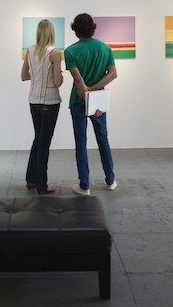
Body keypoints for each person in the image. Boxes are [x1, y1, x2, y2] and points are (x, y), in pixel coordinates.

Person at [64, 13, 118, 196]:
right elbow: (113, 73)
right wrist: (95, 90)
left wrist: (87, 90)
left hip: (78, 101)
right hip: (99, 103)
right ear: (92, 27)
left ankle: (84, 185)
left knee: (81, 142)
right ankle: (110, 180)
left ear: (75, 29)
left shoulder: (71, 51)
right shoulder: (105, 48)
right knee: (103, 139)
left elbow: (77, 78)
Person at [21, 19, 63, 194]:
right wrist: (58, 74)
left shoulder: (30, 51)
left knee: (38, 139)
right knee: (44, 142)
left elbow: (24, 76)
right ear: (52, 33)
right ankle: (41, 184)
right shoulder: (54, 53)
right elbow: (58, 82)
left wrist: (38, 78)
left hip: (34, 100)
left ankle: (31, 179)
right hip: (50, 101)